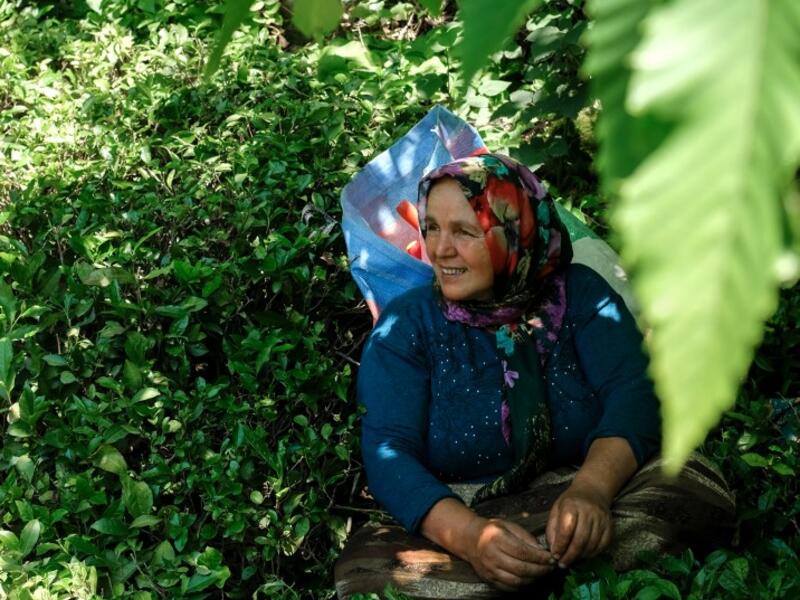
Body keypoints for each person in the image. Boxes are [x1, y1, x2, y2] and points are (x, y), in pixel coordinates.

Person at [335, 154, 735, 599]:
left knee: (692, 483)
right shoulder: (407, 326)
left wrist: (592, 492)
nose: (440, 249)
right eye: (431, 227)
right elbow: (389, 452)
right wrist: (473, 538)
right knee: (364, 569)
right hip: (459, 514)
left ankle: (534, 571)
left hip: (576, 495)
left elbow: (633, 395)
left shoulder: (581, 295)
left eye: (465, 231)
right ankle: (556, 573)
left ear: (517, 231)